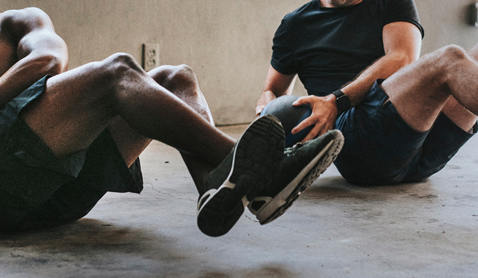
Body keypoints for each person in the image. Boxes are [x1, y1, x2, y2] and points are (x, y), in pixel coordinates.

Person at [0, 7, 344, 237]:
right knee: (116, 73)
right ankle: (265, 176)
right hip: (8, 192)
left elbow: (48, 60)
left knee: (174, 77)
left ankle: (216, 185)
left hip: (61, 194)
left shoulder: (17, 22)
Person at [257, 0, 478, 187]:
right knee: (449, 61)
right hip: (359, 146)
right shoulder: (295, 25)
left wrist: (336, 97)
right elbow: (272, 88)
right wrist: (269, 109)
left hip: (418, 143)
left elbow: (401, 58)